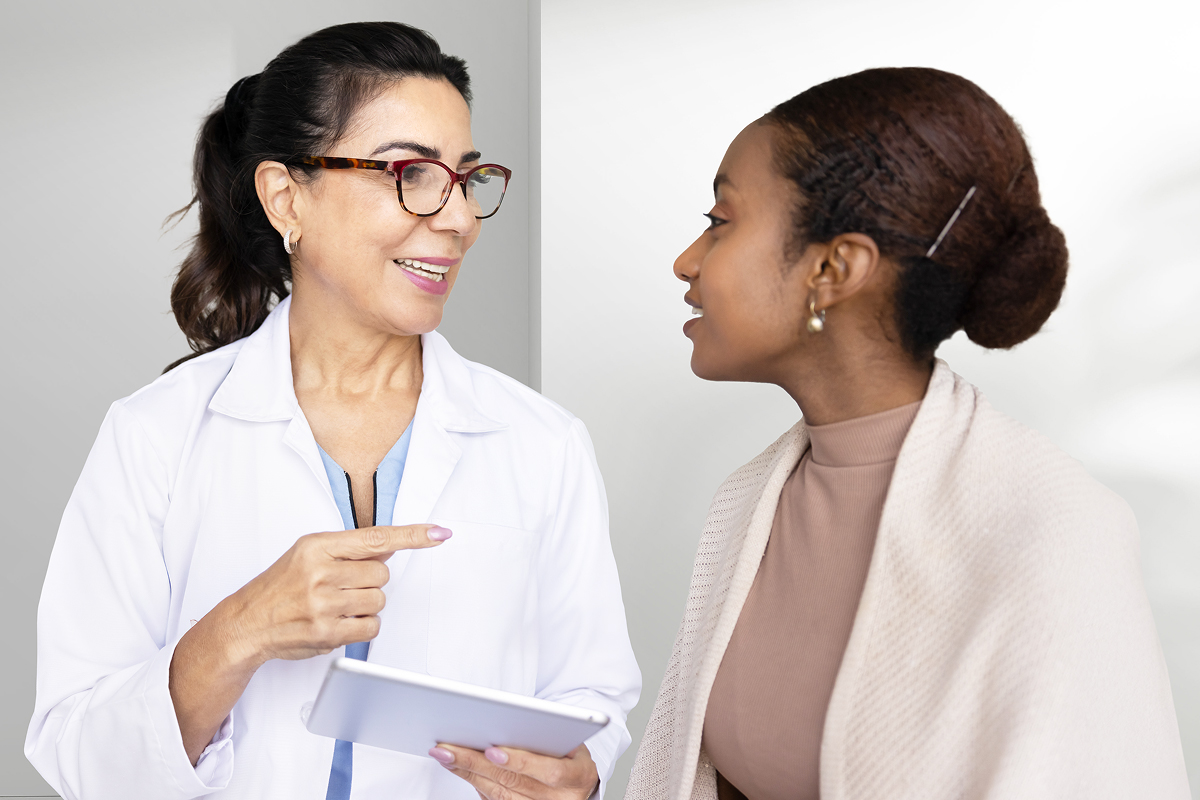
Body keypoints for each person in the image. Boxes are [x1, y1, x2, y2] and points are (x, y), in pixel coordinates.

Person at [26, 22, 639, 800]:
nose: (456, 218)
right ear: (287, 197)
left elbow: (594, 699)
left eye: (467, 177)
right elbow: (79, 751)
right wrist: (242, 627)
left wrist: (577, 775)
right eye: (411, 173)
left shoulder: (540, 443)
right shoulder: (157, 435)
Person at [626, 67, 1189, 800]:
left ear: (834, 268)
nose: (687, 261)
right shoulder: (748, 505)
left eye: (720, 222)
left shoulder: (1051, 528)